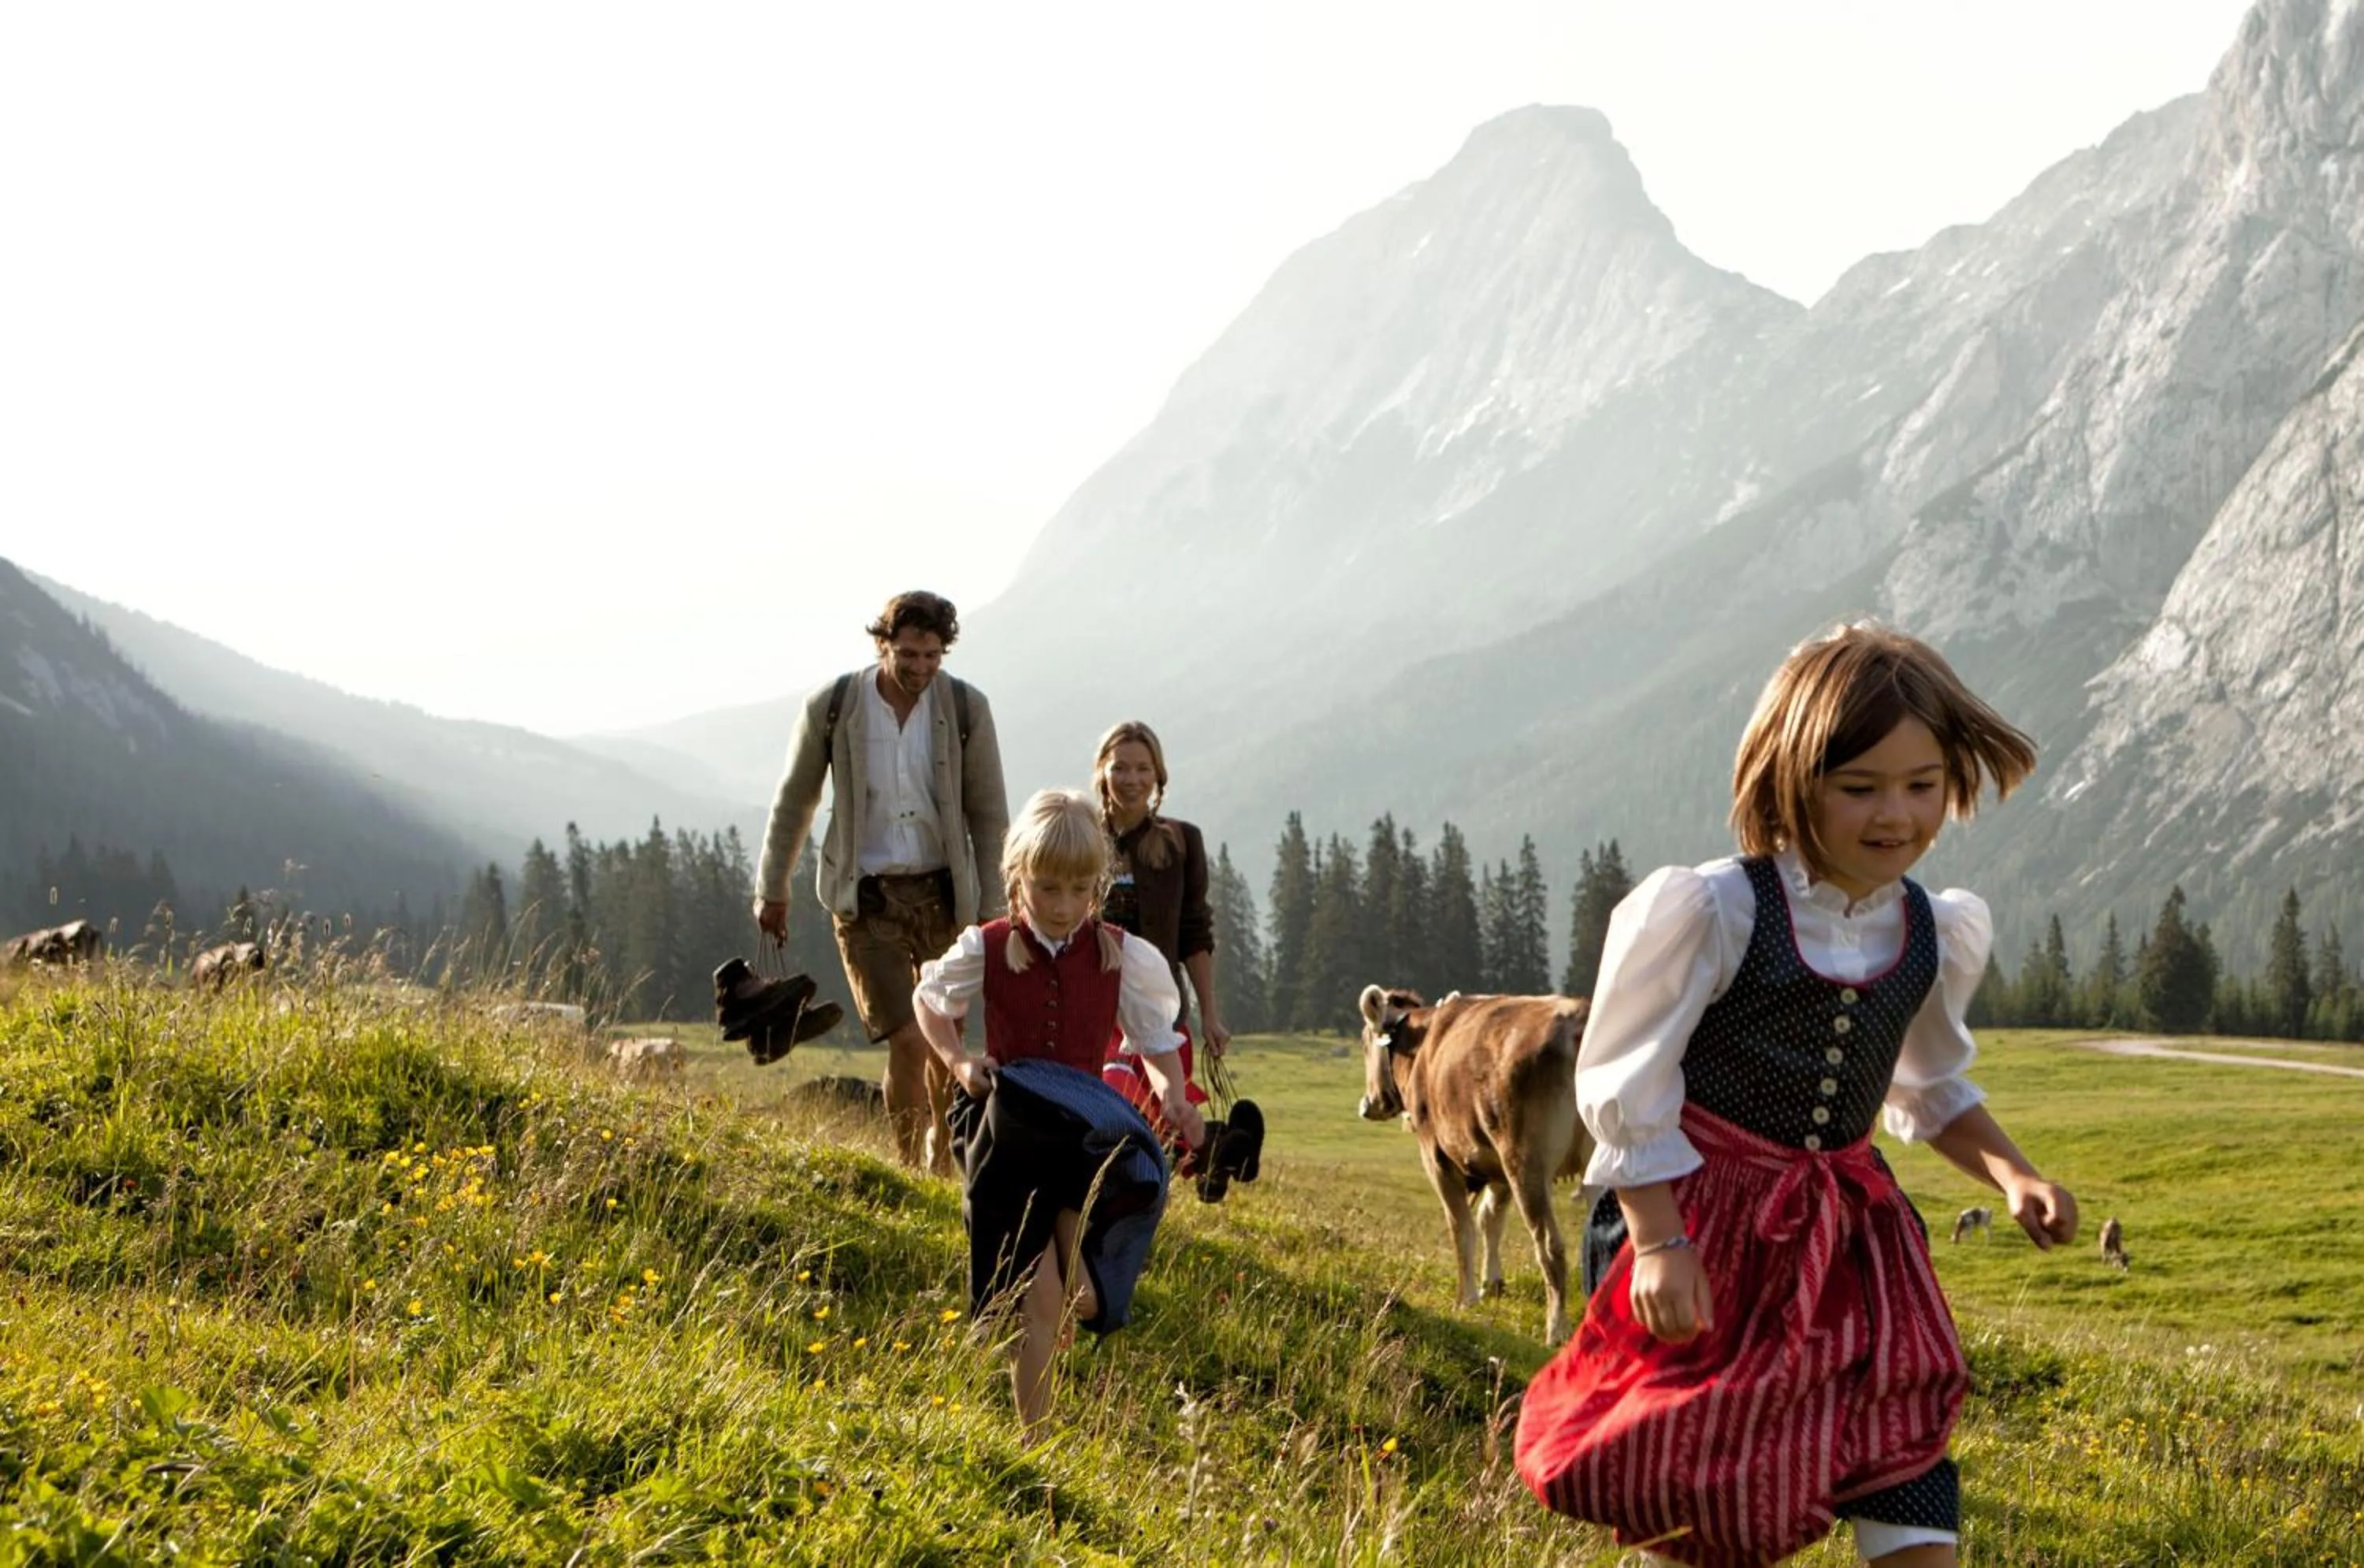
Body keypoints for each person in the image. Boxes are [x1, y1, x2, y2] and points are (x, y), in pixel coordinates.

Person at [1514, 623, 2080, 1568]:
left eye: (1923, 783)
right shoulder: (1717, 911)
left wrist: (2014, 1174)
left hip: (1851, 1235)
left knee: (1899, 1437)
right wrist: (1658, 1239)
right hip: (1701, 1222)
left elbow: (1930, 1084)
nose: (1895, 814)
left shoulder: (1932, 929)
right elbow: (1627, 1080)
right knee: (1701, 1477)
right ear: (1790, 779)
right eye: (1859, 787)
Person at [912, 789, 1205, 1440]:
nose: (1064, 906)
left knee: (1084, 1294)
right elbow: (930, 1001)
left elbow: (1157, 1040)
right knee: (1037, 1296)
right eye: (1048, 888)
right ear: (1019, 878)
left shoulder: (1120, 956)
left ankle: (1049, 1334)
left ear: (1096, 885)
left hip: (1080, 1132)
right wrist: (960, 1061)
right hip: (1006, 1130)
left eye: (1078, 889)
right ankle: (1036, 1440)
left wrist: (1176, 1097)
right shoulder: (987, 945)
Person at [756, 590, 1009, 1172]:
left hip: (944, 894)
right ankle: (906, 1162)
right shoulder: (835, 705)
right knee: (908, 1039)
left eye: (932, 656)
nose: (920, 668)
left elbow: (990, 816)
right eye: (908, 654)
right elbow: (795, 799)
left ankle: (942, 1156)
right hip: (866, 897)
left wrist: (992, 911)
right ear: (882, 645)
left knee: (946, 1040)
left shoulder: (967, 709)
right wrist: (773, 886)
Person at [1088, 721, 1257, 1185]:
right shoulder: (1081, 836)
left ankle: (1206, 1155)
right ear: (1101, 772)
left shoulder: (1182, 841)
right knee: (1117, 1105)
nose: (1132, 779)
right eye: (1120, 767)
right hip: (1093, 1006)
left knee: (1164, 1109)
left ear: (1159, 776)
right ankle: (1213, 1151)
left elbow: (1194, 934)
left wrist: (1211, 1014)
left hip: (1160, 1006)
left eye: (1144, 768)